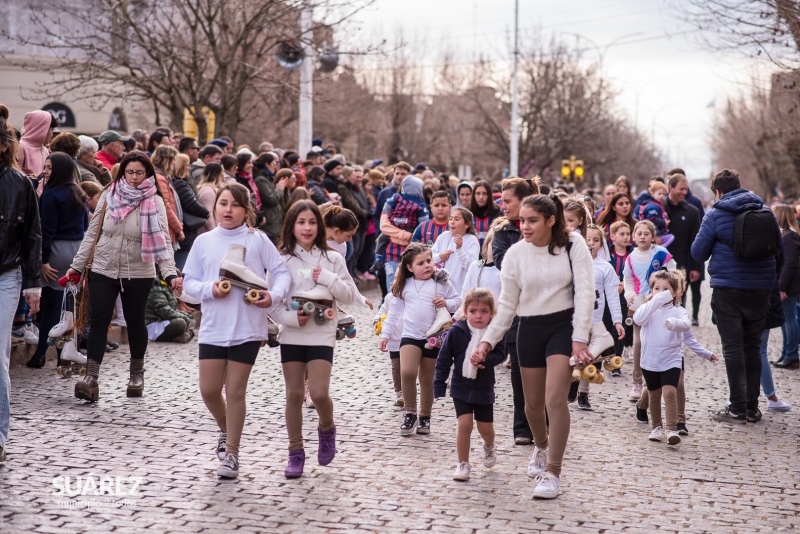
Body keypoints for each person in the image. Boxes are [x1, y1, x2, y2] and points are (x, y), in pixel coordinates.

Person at [473, 193, 595, 499]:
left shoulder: (573, 245)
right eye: (522, 221)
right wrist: (487, 342)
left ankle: (552, 471)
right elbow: (506, 305)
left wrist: (580, 336)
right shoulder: (515, 255)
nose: (524, 227)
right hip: (528, 328)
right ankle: (540, 446)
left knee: (555, 399)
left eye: (532, 221)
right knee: (531, 405)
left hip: (562, 327)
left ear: (550, 221)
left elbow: (585, 292)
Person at [182, 182, 291, 479]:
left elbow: (281, 274)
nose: (228, 210)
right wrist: (210, 289)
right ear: (214, 206)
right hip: (214, 328)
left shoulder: (257, 239)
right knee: (208, 390)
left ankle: (231, 454)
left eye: (235, 205)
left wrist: (273, 296)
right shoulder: (204, 241)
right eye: (223, 203)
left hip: (247, 327)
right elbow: (189, 281)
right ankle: (224, 427)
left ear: (246, 210)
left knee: (236, 390)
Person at [66, 151, 181, 402]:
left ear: (148, 174)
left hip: (138, 271)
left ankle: (136, 375)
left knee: (135, 321)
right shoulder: (109, 195)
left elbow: (163, 241)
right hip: (103, 267)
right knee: (98, 321)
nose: (135, 178)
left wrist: (170, 273)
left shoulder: (155, 202)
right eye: (130, 172)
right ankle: (91, 378)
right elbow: (92, 233)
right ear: (122, 172)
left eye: (140, 172)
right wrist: (77, 266)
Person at [269, 200, 360, 478]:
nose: (307, 227)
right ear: (291, 226)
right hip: (292, 333)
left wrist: (329, 278)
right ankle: (295, 452)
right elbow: (273, 303)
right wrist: (290, 319)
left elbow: (350, 296)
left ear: (319, 226)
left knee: (319, 393)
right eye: (300, 222)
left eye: (311, 222)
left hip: (322, 333)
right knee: (294, 394)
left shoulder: (333, 258)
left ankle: (327, 428)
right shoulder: (281, 259)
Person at [691, 169, 781, 423]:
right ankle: (752, 408)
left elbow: (698, 252)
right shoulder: (766, 212)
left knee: (732, 348)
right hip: (761, 288)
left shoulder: (716, 214)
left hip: (729, 289)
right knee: (752, 348)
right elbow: (779, 250)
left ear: (717, 192)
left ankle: (738, 407)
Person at [379, 243, 461, 436]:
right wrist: (385, 334)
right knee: (407, 372)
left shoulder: (441, 281)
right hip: (409, 335)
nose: (427, 266)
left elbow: (458, 300)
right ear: (409, 267)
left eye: (429, 261)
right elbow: (393, 313)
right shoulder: (403, 285)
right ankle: (410, 413)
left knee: (427, 379)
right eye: (421, 263)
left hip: (433, 337)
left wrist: (446, 303)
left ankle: (425, 417)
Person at [0, 104, 42, 463]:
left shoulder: (20, 185)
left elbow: (32, 237)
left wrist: (33, 285)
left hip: (5, 275)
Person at [634, 269, 717, 444]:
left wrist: (705, 353)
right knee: (654, 395)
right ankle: (656, 427)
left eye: (666, 289)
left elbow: (686, 327)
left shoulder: (678, 311)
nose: (661, 293)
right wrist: (656, 300)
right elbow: (638, 319)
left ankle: (672, 429)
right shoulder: (648, 310)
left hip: (671, 360)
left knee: (670, 392)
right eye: (657, 288)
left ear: (675, 292)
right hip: (650, 360)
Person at [434, 289, 506, 481]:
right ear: (465, 311)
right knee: (464, 424)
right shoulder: (457, 332)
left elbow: (502, 354)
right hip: (461, 386)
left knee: (485, 428)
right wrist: (439, 383)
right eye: (473, 311)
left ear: (492, 313)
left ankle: (489, 445)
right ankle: (463, 463)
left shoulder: (494, 333)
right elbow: (444, 358)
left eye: (484, 311)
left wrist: (486, 360)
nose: (479, 316)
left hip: (483, 388)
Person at [26, 153, 88, 369]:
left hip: (56, 251)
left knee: (52, 307)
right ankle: (64, 353)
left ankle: (41, 353)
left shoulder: (52, 195)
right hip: (76, 250)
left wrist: (42, 260)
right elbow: (86, 227)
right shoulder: (79, 193)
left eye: (50, 167)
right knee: (68, 308)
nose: (46, 171)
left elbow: (47, 231)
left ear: (60, 170)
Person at [492, 177, 538, 445]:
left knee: (542, 372)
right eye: (502, 199)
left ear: (524, 201)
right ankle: (522, 427)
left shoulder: (547, 228)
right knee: (519, 371)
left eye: (507, 200)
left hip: (547, 311)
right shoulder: (503, 231)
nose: (502, 205)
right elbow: (502, 264)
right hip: (516, 310)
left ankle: (544, 422)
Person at [570, 225, 624, 410]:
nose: (591, 243)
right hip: (573, 318)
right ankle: (572, 381)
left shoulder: (605, 268)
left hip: (595, 319)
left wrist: (617, 321)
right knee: (572, 354)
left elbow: (612, 296)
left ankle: (583, 393)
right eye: (588, 239)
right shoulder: (572, 262)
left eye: (595, 240)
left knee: (590, 357)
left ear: (601, 244)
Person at [377, 174, 430, 289]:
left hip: (407, 250)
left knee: (402, 281)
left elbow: (387, 209)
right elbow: (424, 224)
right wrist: (408, 235)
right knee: (394, 280)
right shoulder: (420, 205)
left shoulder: (395, 199)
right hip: (397, 248)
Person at [665, 174, 703, 325]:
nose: (684, 192)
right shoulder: (658, 208)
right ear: (670, 188)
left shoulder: (692, 212)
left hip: (681, 266)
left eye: (686, 189)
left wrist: (696, 267)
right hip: (659, 265)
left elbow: (696, 242)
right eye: (681, 189)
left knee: (678, 304)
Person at [771, 204, 800, 369]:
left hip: (789, 286)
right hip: (788, 284)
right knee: (786, 319)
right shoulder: (788, 235)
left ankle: (791, 354)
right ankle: (786, 352)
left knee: (789, 319)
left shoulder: (789, 237)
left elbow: (789, 264)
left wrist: (781, 287)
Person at [172, 153, 210, 270]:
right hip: (186, 230)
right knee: (182, 265)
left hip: (185, 230)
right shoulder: (180, 183)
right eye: (187, 165)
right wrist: (206, 213)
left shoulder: (178, 183)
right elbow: (192, 204)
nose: (189, 168)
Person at [431, 206, 480, 293]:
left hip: (460, 289)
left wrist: (459, 249)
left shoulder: (472, 240)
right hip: (440, 288)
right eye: (450, 219)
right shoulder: (444, 236)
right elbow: (430, 259)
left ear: (467, 224)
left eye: (457, 219)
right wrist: (440, 256)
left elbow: (472, 266)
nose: (452, 222)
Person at [606, 221, 634, 366]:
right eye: (621, 234)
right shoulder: (607, 255)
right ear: (612, 237)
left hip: (624, 297)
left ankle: (616, 360)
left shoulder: (632, 254)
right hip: (608, 297)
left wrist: (625, 283)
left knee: (621, 327)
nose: (625, 237)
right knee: (608, 327)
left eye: (628, 234)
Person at [336, 166, 370, 278]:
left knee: (358, 251)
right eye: (355, 176)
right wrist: (366, 213)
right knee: (352, 250)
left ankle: (353, 273)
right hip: (354, 221)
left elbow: (363, 202)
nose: (358, 179)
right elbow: (353, 205)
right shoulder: (345, 188)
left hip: (361, 222)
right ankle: (349, 273)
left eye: (361, 177)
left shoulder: (358, 189)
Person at [145, 275, 195, 343]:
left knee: (191, 319)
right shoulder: (157, 289)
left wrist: (187, 316)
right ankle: (183, 335)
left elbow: (173, 309)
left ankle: (183, 335)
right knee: (181, 323)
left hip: (165, 321)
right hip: (154, 324)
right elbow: (165, 312)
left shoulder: (167, 287)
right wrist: (185, 318)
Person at [152, 145, 185, 247]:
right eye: (174, 160)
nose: (174, 163)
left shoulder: (161, 176)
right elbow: (165, 206)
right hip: (163, 229)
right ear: (167, 160)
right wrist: (178, 228)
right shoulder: (160, 179)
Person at [374, 293, 404, 406]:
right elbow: (382, 311)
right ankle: (399, 393)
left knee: (408, 369)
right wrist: (377, 321)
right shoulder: (389, 297)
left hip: (410, 337)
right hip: (394, 338)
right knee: (396, 367)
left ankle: (408, 392)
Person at [253, 152, 288, 245]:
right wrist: (279, 189)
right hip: (268, 225)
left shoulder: (269, 178)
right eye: (274, 163)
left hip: (274, 223)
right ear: (267, 164)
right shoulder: (261, 180)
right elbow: (271, 200)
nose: (276, 166)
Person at [18, 110, 54, 179]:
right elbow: (15, 177)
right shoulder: (21, 146)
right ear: (41, 129)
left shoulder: (45, 150)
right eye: (51, 130)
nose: (51, 134)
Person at [636, 181, 673, 247]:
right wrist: (664, 223)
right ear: (652, 193)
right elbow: (651, 219)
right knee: (671, 237)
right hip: (655, 232)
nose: (662, 196)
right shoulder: (653, 206)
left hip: (657, 232)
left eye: (664, 194)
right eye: (659, 194)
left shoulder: (658, 204)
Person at [469, 180, 502, 249]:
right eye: (478, 193)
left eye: (484, 194)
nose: (481, 197)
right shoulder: (466, 212)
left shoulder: (498, 213)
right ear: (473, 195)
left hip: (490, 255)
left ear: (489, 195)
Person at [197, 163, 225, 235]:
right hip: (211, 233)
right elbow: (209, 214)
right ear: (218, 174)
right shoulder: (208, 191)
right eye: (223, 171)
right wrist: (215, 233)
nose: (224, 174)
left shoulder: (214, 189)